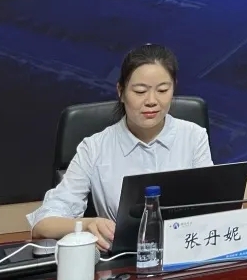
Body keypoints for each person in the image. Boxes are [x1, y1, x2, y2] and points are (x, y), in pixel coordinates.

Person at [27, 44, 212, 249]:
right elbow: (42, 225)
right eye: (140, 91)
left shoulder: (194, 136)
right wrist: (87, 224)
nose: (152, 101)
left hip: (186, 252)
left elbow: (213, 206)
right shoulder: (94, 148)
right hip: (121, 259)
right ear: (121, 92)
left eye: (162, 90)